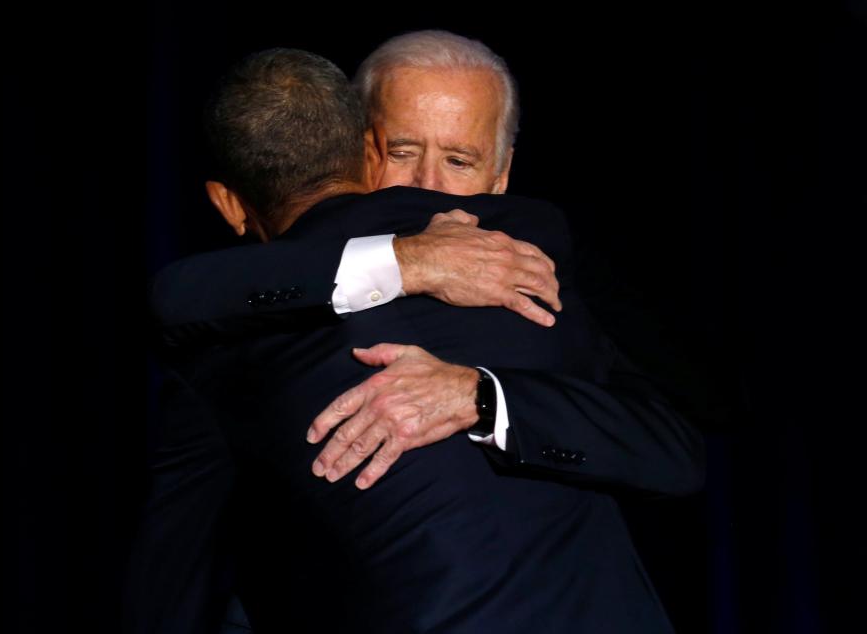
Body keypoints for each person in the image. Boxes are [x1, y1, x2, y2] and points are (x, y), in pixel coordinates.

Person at [145, 46, 702, 633]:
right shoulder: (245, 315)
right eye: (403, 152)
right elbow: (188, 296)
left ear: (502, 175)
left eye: (460, 161)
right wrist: (405, 260)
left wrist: (482, 399)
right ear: (363, 151)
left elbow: (673, 448)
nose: (429, 185)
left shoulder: (534, 252)